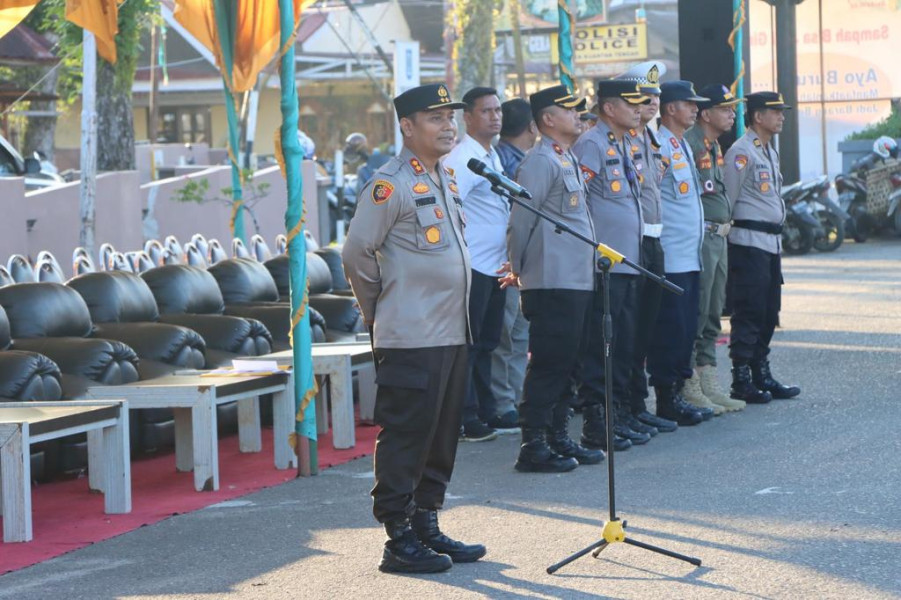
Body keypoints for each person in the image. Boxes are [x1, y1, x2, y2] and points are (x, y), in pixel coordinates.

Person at [341, 83, 486, 574]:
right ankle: (398, 537)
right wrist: (379, 309)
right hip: (411, 333)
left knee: (441, 435)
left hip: (451, 330)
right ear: (407, 126)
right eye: (435, 118)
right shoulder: (390, 184)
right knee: (407, 435)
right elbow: (356, 252)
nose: (448, 126)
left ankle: (426, 522)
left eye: (451, 117)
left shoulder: (444, 176)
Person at [507, 84, 604, 473]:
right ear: (547, 119)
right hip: (551, 279)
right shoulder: (540, 161)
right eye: (569, 110)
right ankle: (533, 444)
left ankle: (558, 436)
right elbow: (521, 221)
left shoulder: (565, 157)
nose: (578, 115)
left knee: (569, 364)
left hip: (576, 278)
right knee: (549, 365)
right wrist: (517, 268)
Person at [572, 79, 652, 452]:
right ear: (608, 108)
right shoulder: (591, 144)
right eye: (630, 103)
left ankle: (619, 414)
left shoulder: (622, 142)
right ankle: (597, 423)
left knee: (623, 344)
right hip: (605, 264)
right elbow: (578, 200)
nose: (638, 109)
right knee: (601, 348)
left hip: (628, 261)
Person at [444, 87, 513, 441]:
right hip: (473, 265)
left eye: (497, 110)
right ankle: (466, 416)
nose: (495, 116)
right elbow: (450, 208)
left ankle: (488, 410)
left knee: (487, 343)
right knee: (469, 346)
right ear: (467, 117)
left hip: (495, 265)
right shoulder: (462, 158)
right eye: (486, 111)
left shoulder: (490, 154)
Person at [723, 91, 801, 403]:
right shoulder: (741, 152)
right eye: (776, 111)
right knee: (749, 310)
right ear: (758, 116)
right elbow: (727, 199)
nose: (782, 116)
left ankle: (761, 373)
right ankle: (741, 378)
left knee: (769, 311)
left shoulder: (768, 151)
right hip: (748, 244)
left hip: (770, 244)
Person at [615, 62, 680, 436]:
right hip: (631, 241)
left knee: (645, 329)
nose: (652, 102)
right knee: (627, 330)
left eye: (655, 96)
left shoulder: (650, 138)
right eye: (644, 97)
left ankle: (638, 405)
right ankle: (623, 407)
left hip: (653, 238)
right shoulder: (620, 139)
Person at [646, 81, 713, 426]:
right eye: (690, 104)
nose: (696, 110)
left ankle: (679, 392)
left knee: (686, 329)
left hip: (690, 256)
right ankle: (666, 398)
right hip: (671, 255)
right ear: (670, 108)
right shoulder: (657, 144)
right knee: (670, 331)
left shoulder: (682, 143)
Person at [682, 84, 748, 414]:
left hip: (719, 237)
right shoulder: (690, 143)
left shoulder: (713, 144)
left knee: (713, 311)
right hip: (703, 236)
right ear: (706, 114)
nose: (732, 114)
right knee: (697, 310)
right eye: (725, 108)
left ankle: (708, 380)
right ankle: (689, 383)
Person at [491, 99, 536, 421]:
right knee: (507, 337)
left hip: (518, 258)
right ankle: (504, 401)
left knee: (518, 335)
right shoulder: (510, 162)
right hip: (506, 260)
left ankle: (516, 397)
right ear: (532, 126)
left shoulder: (506, 156)